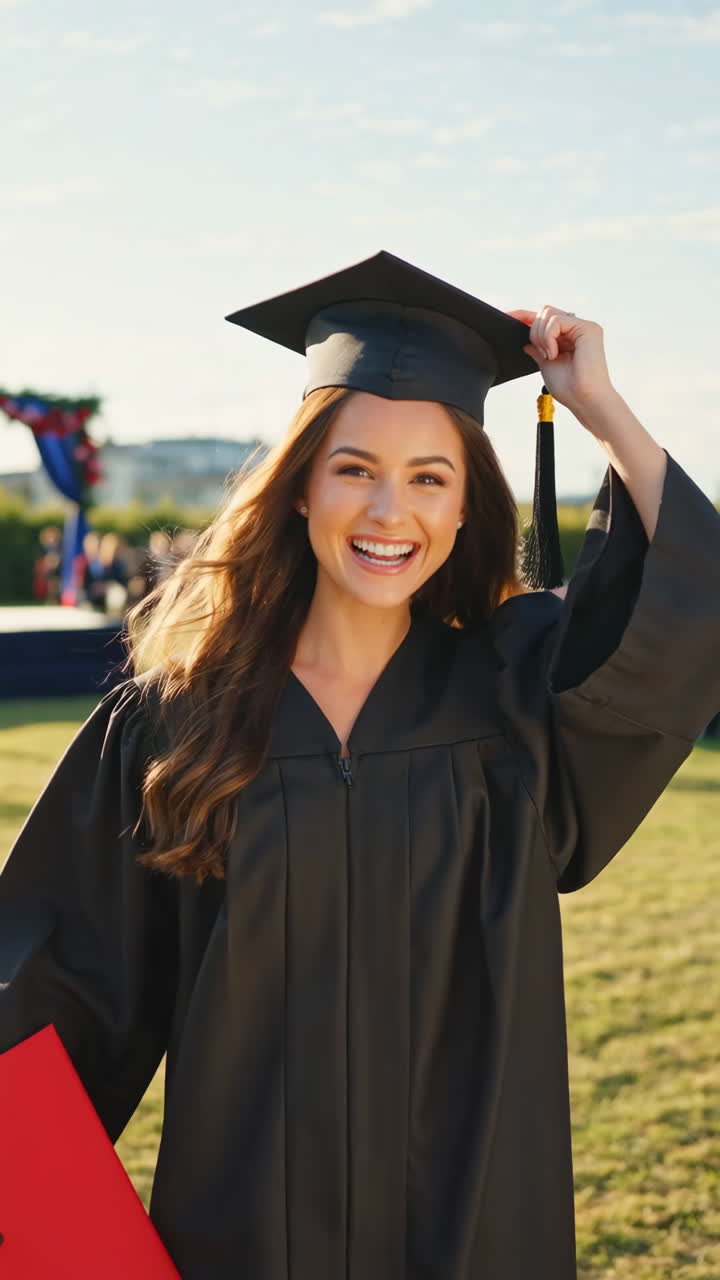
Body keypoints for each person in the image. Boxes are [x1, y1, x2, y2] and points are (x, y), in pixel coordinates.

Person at [1, 251, 719, 1280]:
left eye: (431, 477)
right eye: (354, 468)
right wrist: (80, 1245)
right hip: (242, 1240)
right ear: (298, 488)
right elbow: (46, 1000)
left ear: (468, 506)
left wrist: (603, 410)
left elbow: (677, 636)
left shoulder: (514, 702)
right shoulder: (174, 727)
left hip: (474, 1234)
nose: (391, 512)